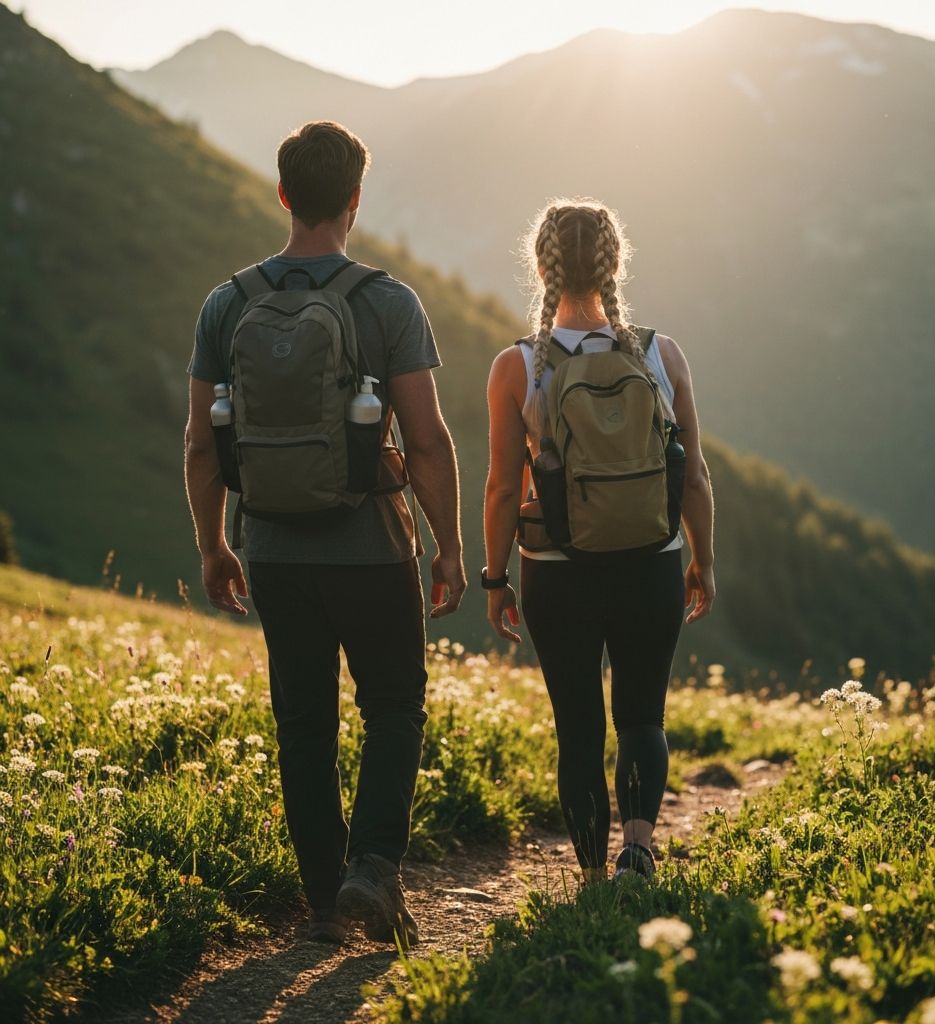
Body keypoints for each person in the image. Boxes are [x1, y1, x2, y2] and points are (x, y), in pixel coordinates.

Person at [184, 120, 467, 945]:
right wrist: (449, 546)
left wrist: (214, 545)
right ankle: (373, 872)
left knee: (303, 722)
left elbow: (202, 441)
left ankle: (320, 905)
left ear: (283, 195)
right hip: (374, 547)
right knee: (394, 708)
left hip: (271, 545)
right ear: (353, 200)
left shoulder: (226, 303)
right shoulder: (386, 301)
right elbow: (426, 440)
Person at [482, 199, 716, 884]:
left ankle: (589, 878)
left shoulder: (518, 367)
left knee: (579, 726)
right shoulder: (660, 354)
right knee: (644, 715)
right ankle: (638, 849)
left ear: (540, 265)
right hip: (652, 562)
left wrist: (495, 579)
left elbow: (501, 488)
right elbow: (695, 473)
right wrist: (702, 558)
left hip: (558, 571)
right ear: (616, 264)